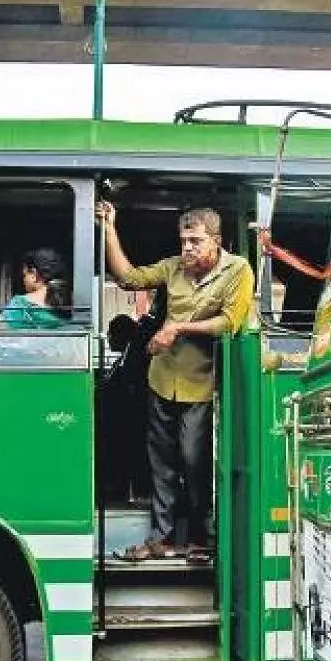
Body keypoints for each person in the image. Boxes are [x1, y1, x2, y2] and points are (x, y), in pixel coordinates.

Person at [98, 201, 254, 564]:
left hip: (200, 384)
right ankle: (163, 539)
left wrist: (177, 327)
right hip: (161, 379)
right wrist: (109, 227)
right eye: (183, 241)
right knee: (161, 463)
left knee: (194, 460)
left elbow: (230, 322)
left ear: (216, 242)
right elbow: (128, 278)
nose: (187, 249)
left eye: (195, 241)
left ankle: (201, 538)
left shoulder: (238, 271)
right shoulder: (173, 268)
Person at [0, 248, 71, 329]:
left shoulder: (19, 305)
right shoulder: (68, 306)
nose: (24, 280)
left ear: (34, 274)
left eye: (24, 275)